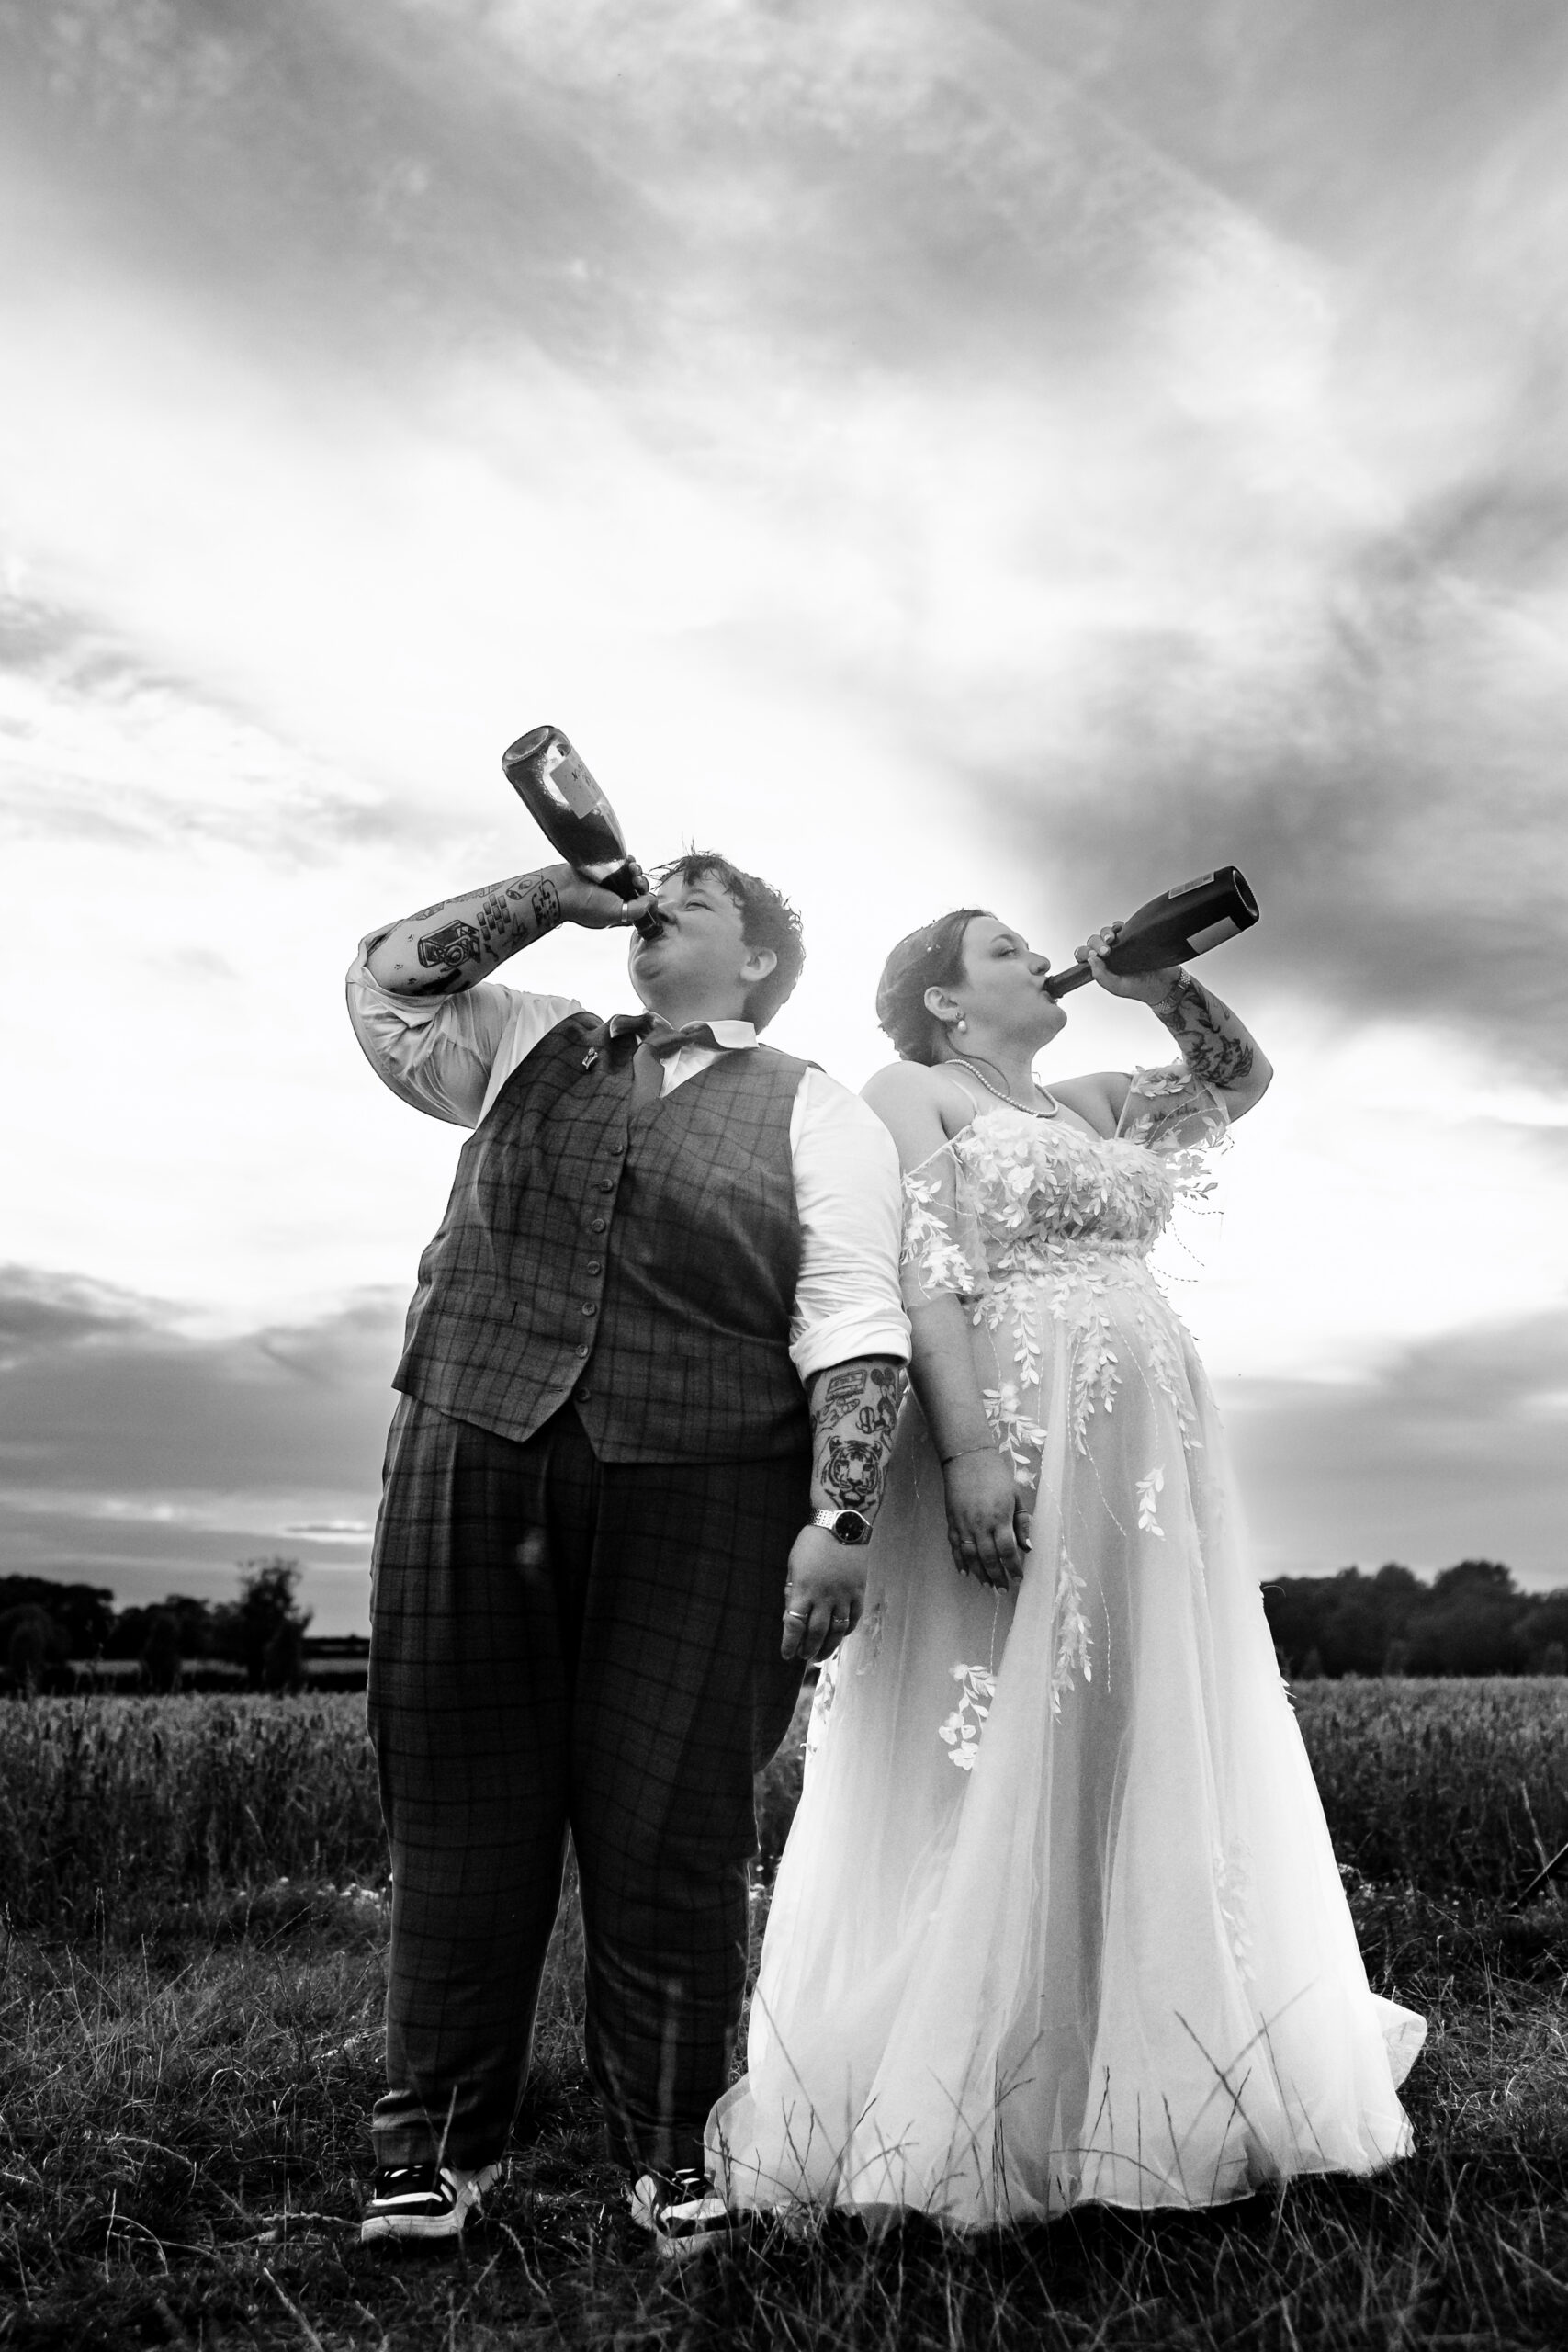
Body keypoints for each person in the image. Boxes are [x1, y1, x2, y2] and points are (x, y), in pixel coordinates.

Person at [708, 908, 1425, 2226]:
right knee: (996, 1719)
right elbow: (925, 1276)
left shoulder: (1094, 1097)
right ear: (940, 999)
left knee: (1137, 1712)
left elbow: (1237, 1084)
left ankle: (1143, 2046)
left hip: (1149, 1447)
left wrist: (1164, 985)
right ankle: (977, 2082)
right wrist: (975, 1452)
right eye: (1000, 947)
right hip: (1014, 1421)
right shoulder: (906, 1089)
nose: (1038, 958)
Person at [346, 849, 908, 2256]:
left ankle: (674, 2145)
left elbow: (850, 1316)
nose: (658, 905)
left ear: (762, 959)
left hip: (711, 1477)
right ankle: (437, 2146)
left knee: (673, 1819)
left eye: (695, 899)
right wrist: (554, 889)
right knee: (460, 1801)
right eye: (649, 891)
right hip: (473, 1445)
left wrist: (841, 1519)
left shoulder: (817, 1109)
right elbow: (386, 980)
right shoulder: (528, 1037)